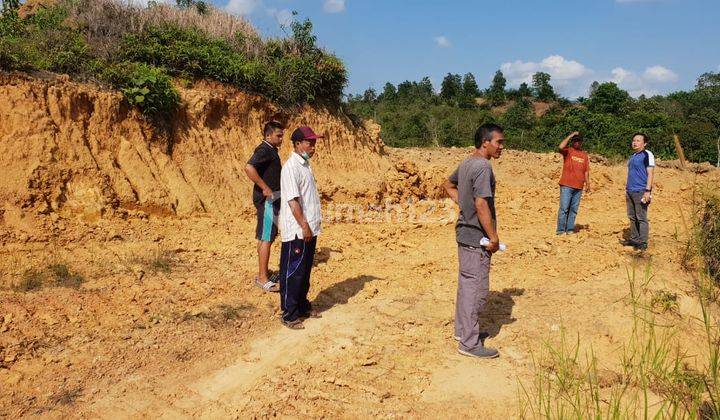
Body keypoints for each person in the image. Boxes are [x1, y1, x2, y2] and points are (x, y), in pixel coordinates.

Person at [442, 123, 505, 359]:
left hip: (464, 234)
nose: (502, 147)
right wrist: (493, 237)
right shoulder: (482, 167)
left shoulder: (467, 163)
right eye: (499, 142)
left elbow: (448, 185)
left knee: (466, 284)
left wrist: (462, 204)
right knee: (476, 289)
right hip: (476, 238)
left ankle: (462, 331)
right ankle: (469, 343)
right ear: (485, 142)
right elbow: (481, 204)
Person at [278, 126, 324, 330]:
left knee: (304, 271)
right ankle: (289, 314)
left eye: (314, 143)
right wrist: (304, 226)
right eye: (309, 142)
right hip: (298, 229)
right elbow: (292, 201)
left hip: (309, 228)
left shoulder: (305, 164)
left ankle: (303, 306)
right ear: (297, 144)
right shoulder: (291, 168)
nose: (313, 146)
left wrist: (310, 226)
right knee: (293, 270)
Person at [245, 121, 284, 293]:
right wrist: (265, 188)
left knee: (265, 236)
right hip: (268, 201)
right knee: (267, 237)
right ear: (268, 136)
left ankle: (264, 272)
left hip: (272, 200)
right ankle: (262, 278)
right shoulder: (264, 150)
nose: (282, 138)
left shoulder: (271, 150)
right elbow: (249, 167)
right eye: (278, 135)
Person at [623, 133, 655, 251]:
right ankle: (634, 239)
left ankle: (642, 242)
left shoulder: (647, 154)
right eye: (633, 140)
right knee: (632, 216)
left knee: (641, 217)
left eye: (638, 140)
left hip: (641, 191)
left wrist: (647, 191)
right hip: (630, 190)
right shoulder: (633, 156)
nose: (634, 142)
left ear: (644, 143)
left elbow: (650, 173)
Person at [556, 131, 590, 235]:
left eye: (579, 141)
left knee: (573, 210)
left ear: (581, 143)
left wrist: (588, 184)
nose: (577, 143)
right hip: (566, 185)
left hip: (579, 187)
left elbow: (586, 171)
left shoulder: (584, 155)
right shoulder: (568, 151)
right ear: (572, 142)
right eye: (575, 141)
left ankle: (570, 229)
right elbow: (560, 147)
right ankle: (560, 230)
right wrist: (570, 135)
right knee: (564, 208)